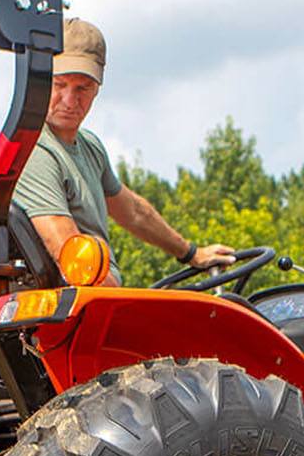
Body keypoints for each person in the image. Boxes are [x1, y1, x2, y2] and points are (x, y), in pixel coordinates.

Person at [12, 18, 236, 284]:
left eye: (83, 88)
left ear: (97, 88)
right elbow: (72, 258)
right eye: (60, 85)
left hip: (97, 302)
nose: (71, 101)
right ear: (41, 81)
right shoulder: (36, 151)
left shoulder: (89, 147)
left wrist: (190, 253)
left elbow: (134, 212)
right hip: (75, 309)